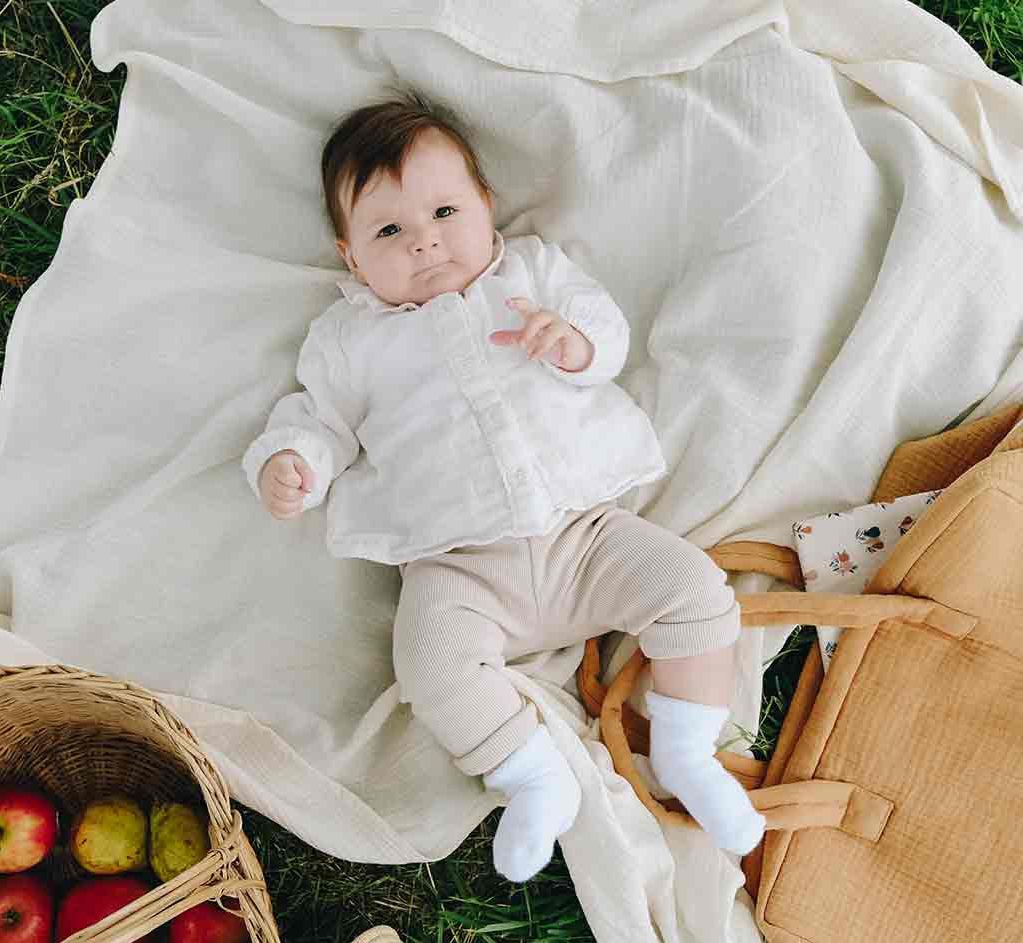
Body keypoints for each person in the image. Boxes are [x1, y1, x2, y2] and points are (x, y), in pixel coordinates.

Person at [243, 89, 765, 882]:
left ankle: (688, 752)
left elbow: (608, 332)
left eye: (444, 212)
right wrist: (293, 462)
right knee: (428, 667)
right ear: (351, 257)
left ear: (487, 206)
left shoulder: (532, 272)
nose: (425, 241)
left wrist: (574, 342)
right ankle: (533, 776)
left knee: (694, 591)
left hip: (585, 537)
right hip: (458, 572)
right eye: (388, 232)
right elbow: (319, 420)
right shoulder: (349, 340)